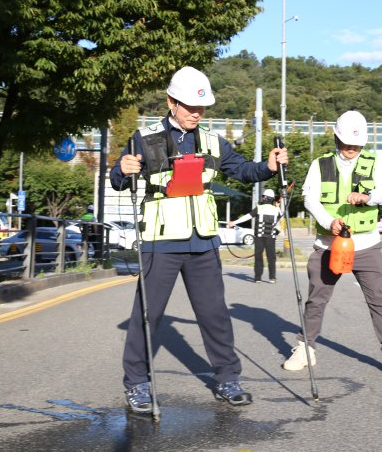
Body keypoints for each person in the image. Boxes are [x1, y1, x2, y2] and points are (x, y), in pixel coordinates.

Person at [110, 66, 288, 413]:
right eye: (189, 105)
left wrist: (267, 166)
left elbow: (243, 171)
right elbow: (119, 178)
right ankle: (137, 384)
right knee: (148, 315)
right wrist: (123, 170)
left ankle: (227, 378)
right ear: (170, 101)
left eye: (201, 107)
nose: (195, 112)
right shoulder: (143, 138)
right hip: (160, 240)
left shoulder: (212, 141)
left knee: (215, 314)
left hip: (203, 240)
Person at [282, 110, 382, 377]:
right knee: (317, 299)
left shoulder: (374, 161)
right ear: (335, 137)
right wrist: (328, 220)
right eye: (346, 142)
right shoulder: (319, 164)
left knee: (380, 300)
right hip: (328, 243)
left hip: (367, 244)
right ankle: (305, 349)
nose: (351, 148)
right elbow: (309, 198)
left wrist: (367, 197)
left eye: (356, 144)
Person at [228, 188, 282, 284]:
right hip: (271, 237)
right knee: (271, 257)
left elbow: (247, 216)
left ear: (265, 198)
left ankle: (258, 278)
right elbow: (281, 216)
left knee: (258, 257)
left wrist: (234, 222)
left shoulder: (259, 208)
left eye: (263, 197)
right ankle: (272, 277)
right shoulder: (276, 210)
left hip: (259, 237)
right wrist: (277, 207)